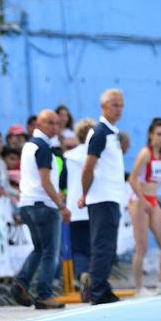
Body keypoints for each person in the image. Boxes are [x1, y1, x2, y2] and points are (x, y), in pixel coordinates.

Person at [11, 109, 69, 310]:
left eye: (56, 123)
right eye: (50, 123)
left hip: (27, 204)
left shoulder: (28, 146)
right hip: (44, 206)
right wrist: (61, 206)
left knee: (39, 249)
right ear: (38, 124)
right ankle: (44, 294)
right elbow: (46, 181)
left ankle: (22, 282)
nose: (55, 127)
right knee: (50, 253)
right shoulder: (44, 147)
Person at [79, 89, 128, 305]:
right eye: (114, 104)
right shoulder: (99, 133)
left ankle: (102, 286)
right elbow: (88, 167)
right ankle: (97, 291)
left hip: (112, 197)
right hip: (102, 198)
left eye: (121, 105)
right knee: (102, 245)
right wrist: (84, 193)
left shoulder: (112, 133)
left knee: (109, 246)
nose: (118, 109)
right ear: (104, 107)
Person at [127, 118, 161, 296]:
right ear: (150, 135)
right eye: (159, 134)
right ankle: (139, 287)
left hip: (153, 200)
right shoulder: (145, 154)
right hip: (139, 201)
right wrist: (142, 200)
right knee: (142, 247)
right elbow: (132, 179)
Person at [65, 118, 96, 297]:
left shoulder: (69, 156)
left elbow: (63, 182)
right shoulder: (95, 155)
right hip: (93, 206)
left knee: (79, 249)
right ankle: (92, 280)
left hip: (74, 209)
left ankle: (82, 274)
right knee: (94, 248)